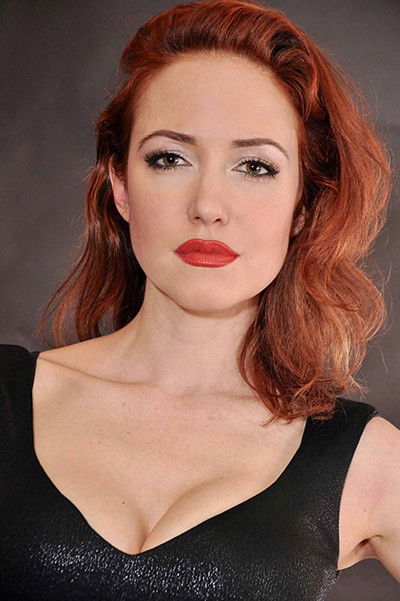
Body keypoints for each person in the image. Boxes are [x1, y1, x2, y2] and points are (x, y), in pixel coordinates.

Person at [1, 0, 399, 599]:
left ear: (303, 206)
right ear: (120, 186)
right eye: (170, 158)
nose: (208, 205)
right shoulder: (8, 399)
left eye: (255, 167)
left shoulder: (366, 461)